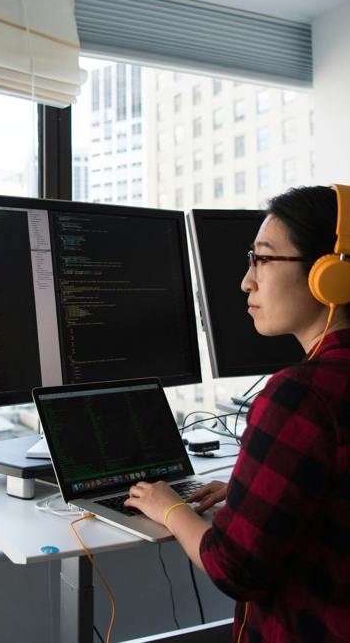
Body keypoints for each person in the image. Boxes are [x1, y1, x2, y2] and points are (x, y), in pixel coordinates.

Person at [125, 185, 350, 642]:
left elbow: (234, 568)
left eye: (263, 259)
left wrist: (169, 508)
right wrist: (254, 490)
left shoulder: (301, 397)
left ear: (328, 275)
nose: (247, 280)